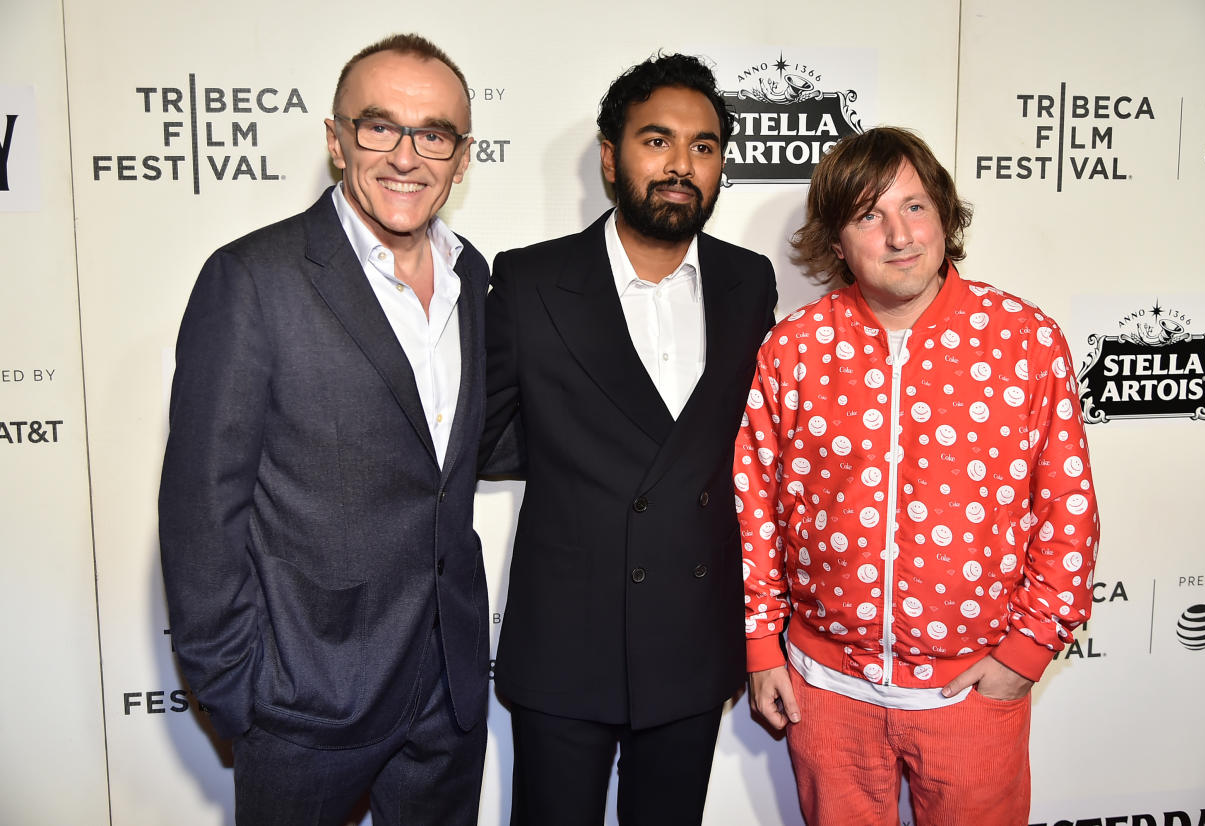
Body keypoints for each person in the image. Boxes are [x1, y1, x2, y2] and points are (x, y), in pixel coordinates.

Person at [159, 33, 491, 826]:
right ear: (337, 140)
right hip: (304, 701)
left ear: (462, 155)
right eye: (379, 127)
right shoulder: (253, 279)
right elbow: (202, 508)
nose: (406, 156)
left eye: (434, 134)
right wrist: (241, 691)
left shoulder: (474, 276)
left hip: (448, 695)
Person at [736, 126, 1099, 826]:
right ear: (837, 242)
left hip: (970, 696)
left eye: (915, 206)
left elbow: (1067, 506)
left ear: (943, 217)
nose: (899, 235)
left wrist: (1026, 652)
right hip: (827, 695)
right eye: (869, 215)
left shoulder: (1023, 340)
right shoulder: (795, 348)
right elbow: (755, 505)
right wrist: (760, 644)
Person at [482, 53, 777, 826]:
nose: (682, 165)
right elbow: (478, 439)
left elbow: (757, 447)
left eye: (704, 148)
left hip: (691, 637)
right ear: (612, 158)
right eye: (658, 141)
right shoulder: (531, 281)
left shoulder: (751, 285)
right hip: (565, 645)